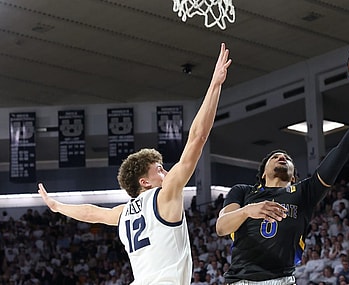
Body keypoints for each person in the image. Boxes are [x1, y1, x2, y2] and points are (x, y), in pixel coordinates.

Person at [38, 43, 232, 285]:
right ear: (144, 181)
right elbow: (197, 138)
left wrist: (57, 206)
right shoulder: (165, 195)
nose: (167, 172)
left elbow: (90, 212)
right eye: (159, 169)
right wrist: (215, 85)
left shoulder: (121, 214)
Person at [215, 65, 349, 285]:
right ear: (263, 173)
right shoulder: (242, 192)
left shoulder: (304, 192)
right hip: (239, 281)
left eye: (287, 158)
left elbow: (342, 150)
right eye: (275, 156)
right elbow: (221, 227)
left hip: (282, 280)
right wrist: (248, 211)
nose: (282, 157)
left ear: (294, 177)